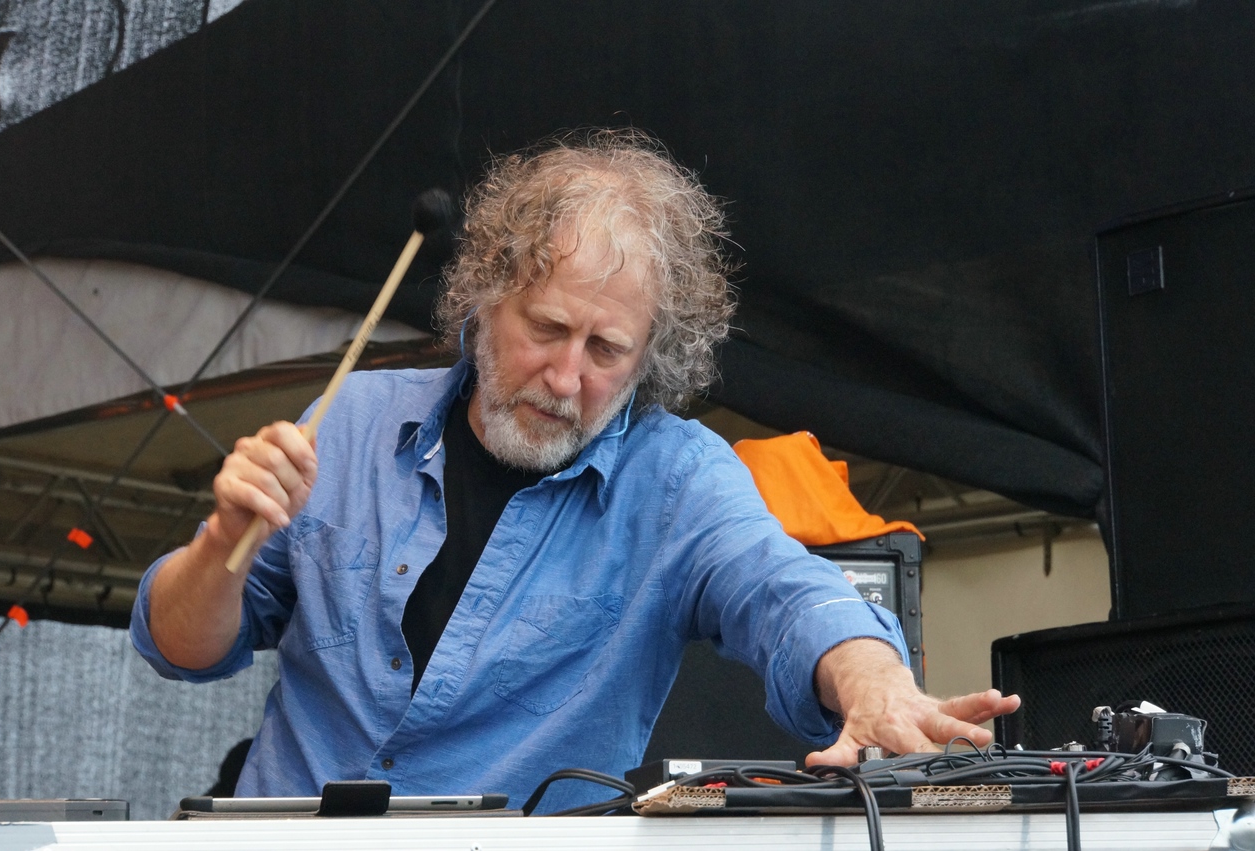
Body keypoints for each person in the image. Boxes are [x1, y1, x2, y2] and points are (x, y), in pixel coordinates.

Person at [131, 129, 1018, 813]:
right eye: (548, 329)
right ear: (485, 299)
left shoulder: (678, 481)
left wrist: (873, 680)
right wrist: (220, 543)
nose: (565, 378)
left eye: (606, 349)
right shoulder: (352, 421)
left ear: (650, 354)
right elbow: (177, 646)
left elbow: (782, 589)